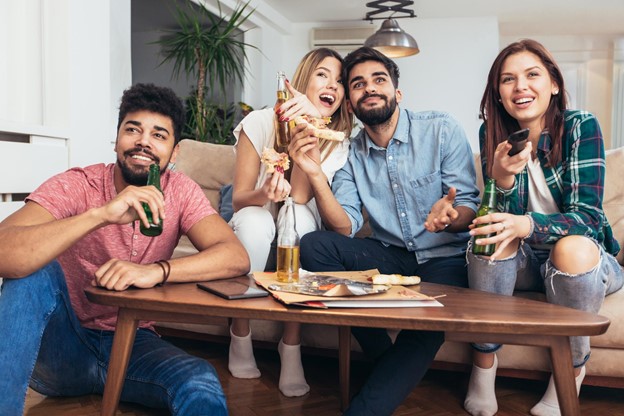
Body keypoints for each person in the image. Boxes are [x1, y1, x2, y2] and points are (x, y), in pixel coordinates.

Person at [0, 83, 250, 415]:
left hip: (134, 345)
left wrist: (157, 271)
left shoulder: (181, 191)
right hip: (64, 347)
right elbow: (5, 250)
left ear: (175, 152)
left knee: (199, 382)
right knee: (32, 272)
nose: (144, 141)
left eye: (159, 135)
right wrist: (101, 215)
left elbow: (235, 256)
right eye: (133, 129)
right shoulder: (78, 184)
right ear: (117, 138)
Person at [289, 46, 481, 415]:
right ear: (350, 103)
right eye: (358, 84)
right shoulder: (350, 152)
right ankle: (387, 360)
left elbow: (468, 204)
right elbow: (343, 225)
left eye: (379, 80)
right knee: (315, 246)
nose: (370, 88)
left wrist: (450, 214)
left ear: (397, 92)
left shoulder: (440, 128)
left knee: (427, 322)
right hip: (390, 255)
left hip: (446, 256)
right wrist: (313, 172)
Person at [463, 39, 624, 416]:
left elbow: (588, 217)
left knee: (572, 246)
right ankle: (483, 367)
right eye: (508, 79)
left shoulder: (580, 126)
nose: (520, 86)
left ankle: (570, 373)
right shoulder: (493, 136)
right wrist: (500, 181)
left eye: (532, 75)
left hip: (579, 262)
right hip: (522, 264)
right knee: (491, 236)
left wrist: (527, 224)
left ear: (553, 84)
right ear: (498, 94)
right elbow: (496, 221)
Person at [227, 47, 353, 397]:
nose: (334, 85)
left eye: (340, 81)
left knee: (294, 215)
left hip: (299, 235)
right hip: (255, 234)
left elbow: (298, 197)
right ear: (302, 81)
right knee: (254, 219)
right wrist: (264, 192)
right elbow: (238, 199)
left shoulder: (337, 142)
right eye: (324, 75)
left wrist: (307, 126)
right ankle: (240, 332)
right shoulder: (258, 122)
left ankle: (291, 344)